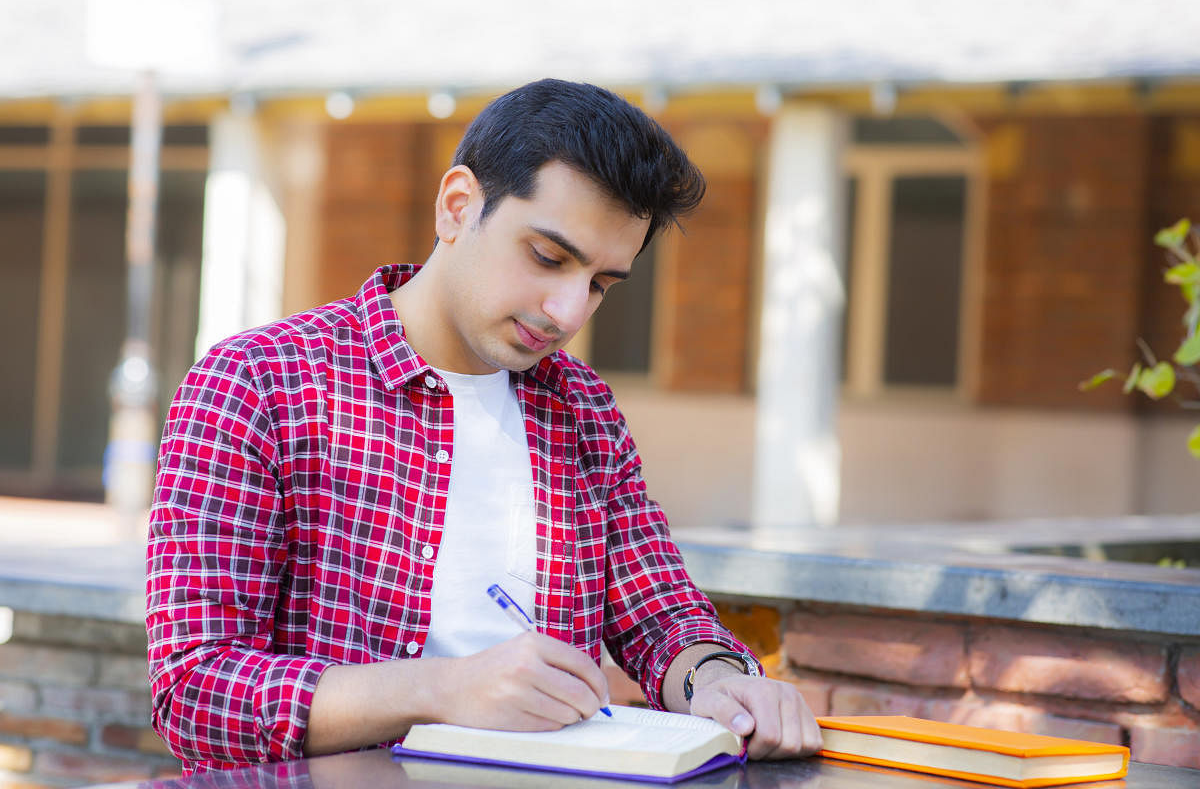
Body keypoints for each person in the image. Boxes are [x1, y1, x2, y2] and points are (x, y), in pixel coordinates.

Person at [146, 78, 822, 774]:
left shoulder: (582, 411)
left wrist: (721, 684)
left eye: (599, 284)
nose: (566, 312)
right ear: (458, 206)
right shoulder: (261, 382)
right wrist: (442, 689)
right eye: (548, 257)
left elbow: (662, 618)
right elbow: (193, 696)